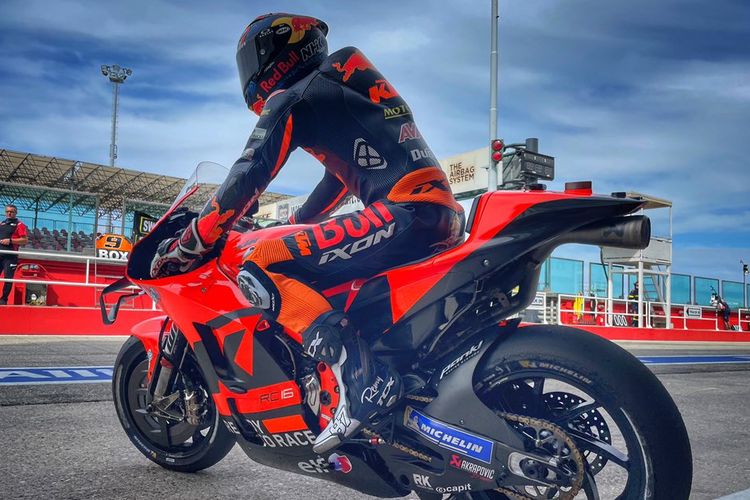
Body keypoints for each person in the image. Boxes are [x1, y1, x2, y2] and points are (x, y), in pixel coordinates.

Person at [149, 13, 465, 454]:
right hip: (437, 214)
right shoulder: (343, 80)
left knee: (259, 264)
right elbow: (340, 177)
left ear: (274, 54)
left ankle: (362, 381)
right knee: (303, 262)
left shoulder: (297, 94)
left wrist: (192, 243)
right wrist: (297, 221)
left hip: (405, 212)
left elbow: (247, 173)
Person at [0, 204, 29, 305]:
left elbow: (25, 240)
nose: (9, 213)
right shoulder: (2, 223)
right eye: (7, 211)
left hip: (11, 256)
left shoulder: (19, 225)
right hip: (0, 254)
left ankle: (3, 299)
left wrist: (10, 241)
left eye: (11, 212)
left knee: (8, 278)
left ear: (16, 213)